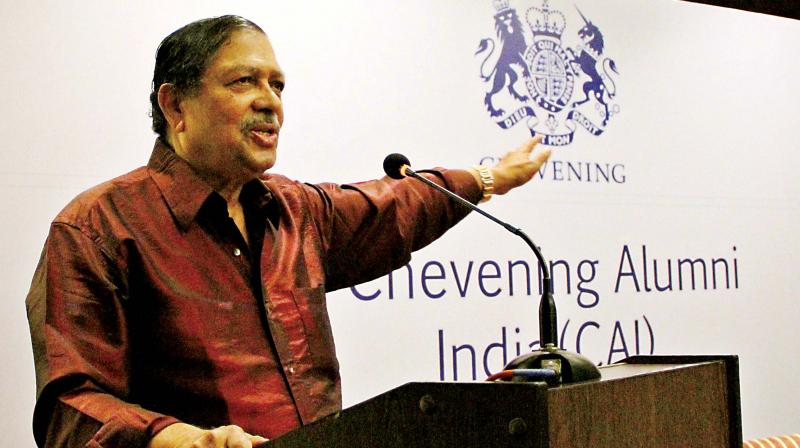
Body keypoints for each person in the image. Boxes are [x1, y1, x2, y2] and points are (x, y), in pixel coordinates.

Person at [25, 15, 551, 448]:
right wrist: (176, 439)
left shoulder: (294, 209)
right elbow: (69, 408)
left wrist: (487, 179)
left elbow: (394, 204)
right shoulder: (97, 227)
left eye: (276, 85)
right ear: (175, 106)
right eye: (243, 82)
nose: (269, 100)